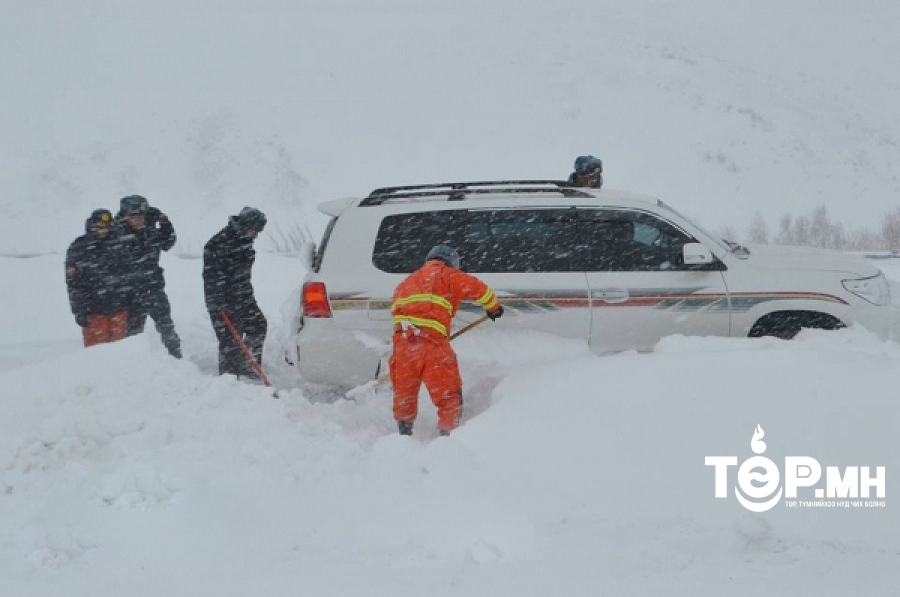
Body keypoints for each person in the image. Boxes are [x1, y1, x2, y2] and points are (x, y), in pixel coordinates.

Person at [390, 244, 503, 436]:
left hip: (404, 347)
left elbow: (398, 315)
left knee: (404, 394)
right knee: (448, 395)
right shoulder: (446, 274)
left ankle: (403, 434)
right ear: (451, 263)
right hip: (433, 346)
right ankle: (448, 438)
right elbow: (479, 289)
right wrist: (493, 307)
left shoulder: (405, 284)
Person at [203, 207, 268, 378]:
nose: (256, 235)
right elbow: (210, 277)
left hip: (244, 296)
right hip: (222, 300)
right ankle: (229, 378)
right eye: (255, 230)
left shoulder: (244, 241)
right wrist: (218, 302)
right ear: (245, 226)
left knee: (259, 325)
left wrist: (245, 295)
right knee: (230, 339)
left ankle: (248, 363)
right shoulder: (218, 244)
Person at [116, 195, 182, 358]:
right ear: (125, 216)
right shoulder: (116, 235)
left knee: (166, 326)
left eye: (141, 216)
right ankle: (134, 364)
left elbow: (168, 242)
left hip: (153, 287)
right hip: (129, 292)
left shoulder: (150, 231)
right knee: (132, 333)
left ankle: (176, 358)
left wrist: (165, 222)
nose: (139, 220)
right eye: (134, 216)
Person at [65, 209, 131, 347]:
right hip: (93, 311)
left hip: (118, 309)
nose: (103, 231)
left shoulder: (119, 245)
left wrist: (129, 300)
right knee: (95, 353)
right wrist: (79, 310)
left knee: (121, 350)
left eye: (106, 227)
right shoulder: (79, 247)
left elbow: (128, 275)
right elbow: (73, 284)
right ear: (91, 226)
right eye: (99, 227)